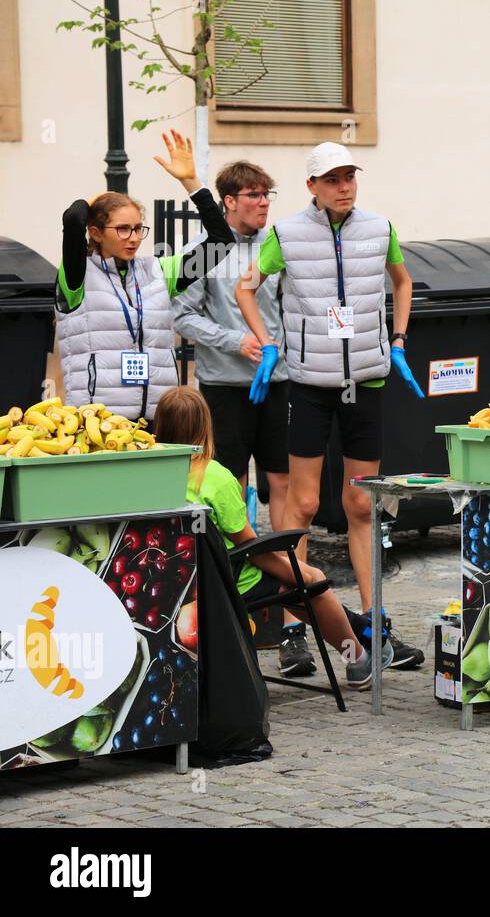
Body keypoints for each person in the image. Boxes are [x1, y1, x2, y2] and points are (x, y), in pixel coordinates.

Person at [235, 142, 425, 670]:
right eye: (332, 179)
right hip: (311, 385)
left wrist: (400, 340)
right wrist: (268, 342)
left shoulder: (380, 227)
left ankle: (374, 622)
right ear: (312, 187)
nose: (344, 186)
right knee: (303, 507)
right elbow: (245, 289)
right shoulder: (285, 234)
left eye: (349, 177)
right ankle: (296, 627)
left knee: (362, 505)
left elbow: (402, 281)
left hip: (366, 381)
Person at [170, 161, 320, 677]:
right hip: (225, 389)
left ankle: (293, 623)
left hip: (281, 386)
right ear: (228, 201)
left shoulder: (278, 244)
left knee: (287, 493)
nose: (263, 202)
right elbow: (181, 316)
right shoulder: (206, 251)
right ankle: (239, 619)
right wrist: (236, 341)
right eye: (254, 195)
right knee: (231, 496)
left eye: (267, 194)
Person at [154, 386, 392, 689]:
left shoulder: (150, 475)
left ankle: (361, 637)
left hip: (178, 584)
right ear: (205, 425)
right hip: (228, 578)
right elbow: (250, 546)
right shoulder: (213, 477)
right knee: (310, 582)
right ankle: (358, 657)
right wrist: (295, 571)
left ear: (159, 425)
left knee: (299, 585)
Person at [55, 130, 235, 424]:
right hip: (98, 422)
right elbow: (73, 220)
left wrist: (191, 182)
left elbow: (220, 242)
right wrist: (98, 200)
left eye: (139, 228)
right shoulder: (77, 275)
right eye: (123, 229)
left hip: (155, 418)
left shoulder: (159, 272)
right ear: (97, 233)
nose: (134, 237)